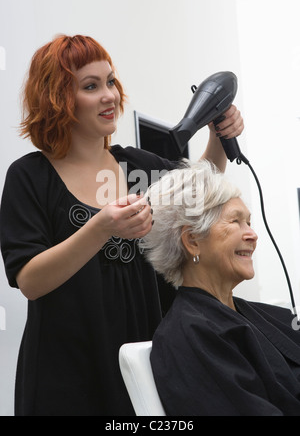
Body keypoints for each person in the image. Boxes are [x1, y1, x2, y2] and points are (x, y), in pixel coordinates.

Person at [0, 34, 244, 416]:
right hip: (65, 371)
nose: (109, 95)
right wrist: (100, 228)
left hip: (143, 359)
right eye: (90, 86)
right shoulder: (30, 177)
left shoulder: (138, 166)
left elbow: (200, 189)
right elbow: (29, 280)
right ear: (57, 98)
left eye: (110, 81)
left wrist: (217, 135)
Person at [143, 160, 300, 416]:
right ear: (193, 240)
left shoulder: (262, 316)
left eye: (249, 222)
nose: (252, 234)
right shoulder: (190, 337)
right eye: (235, 221)